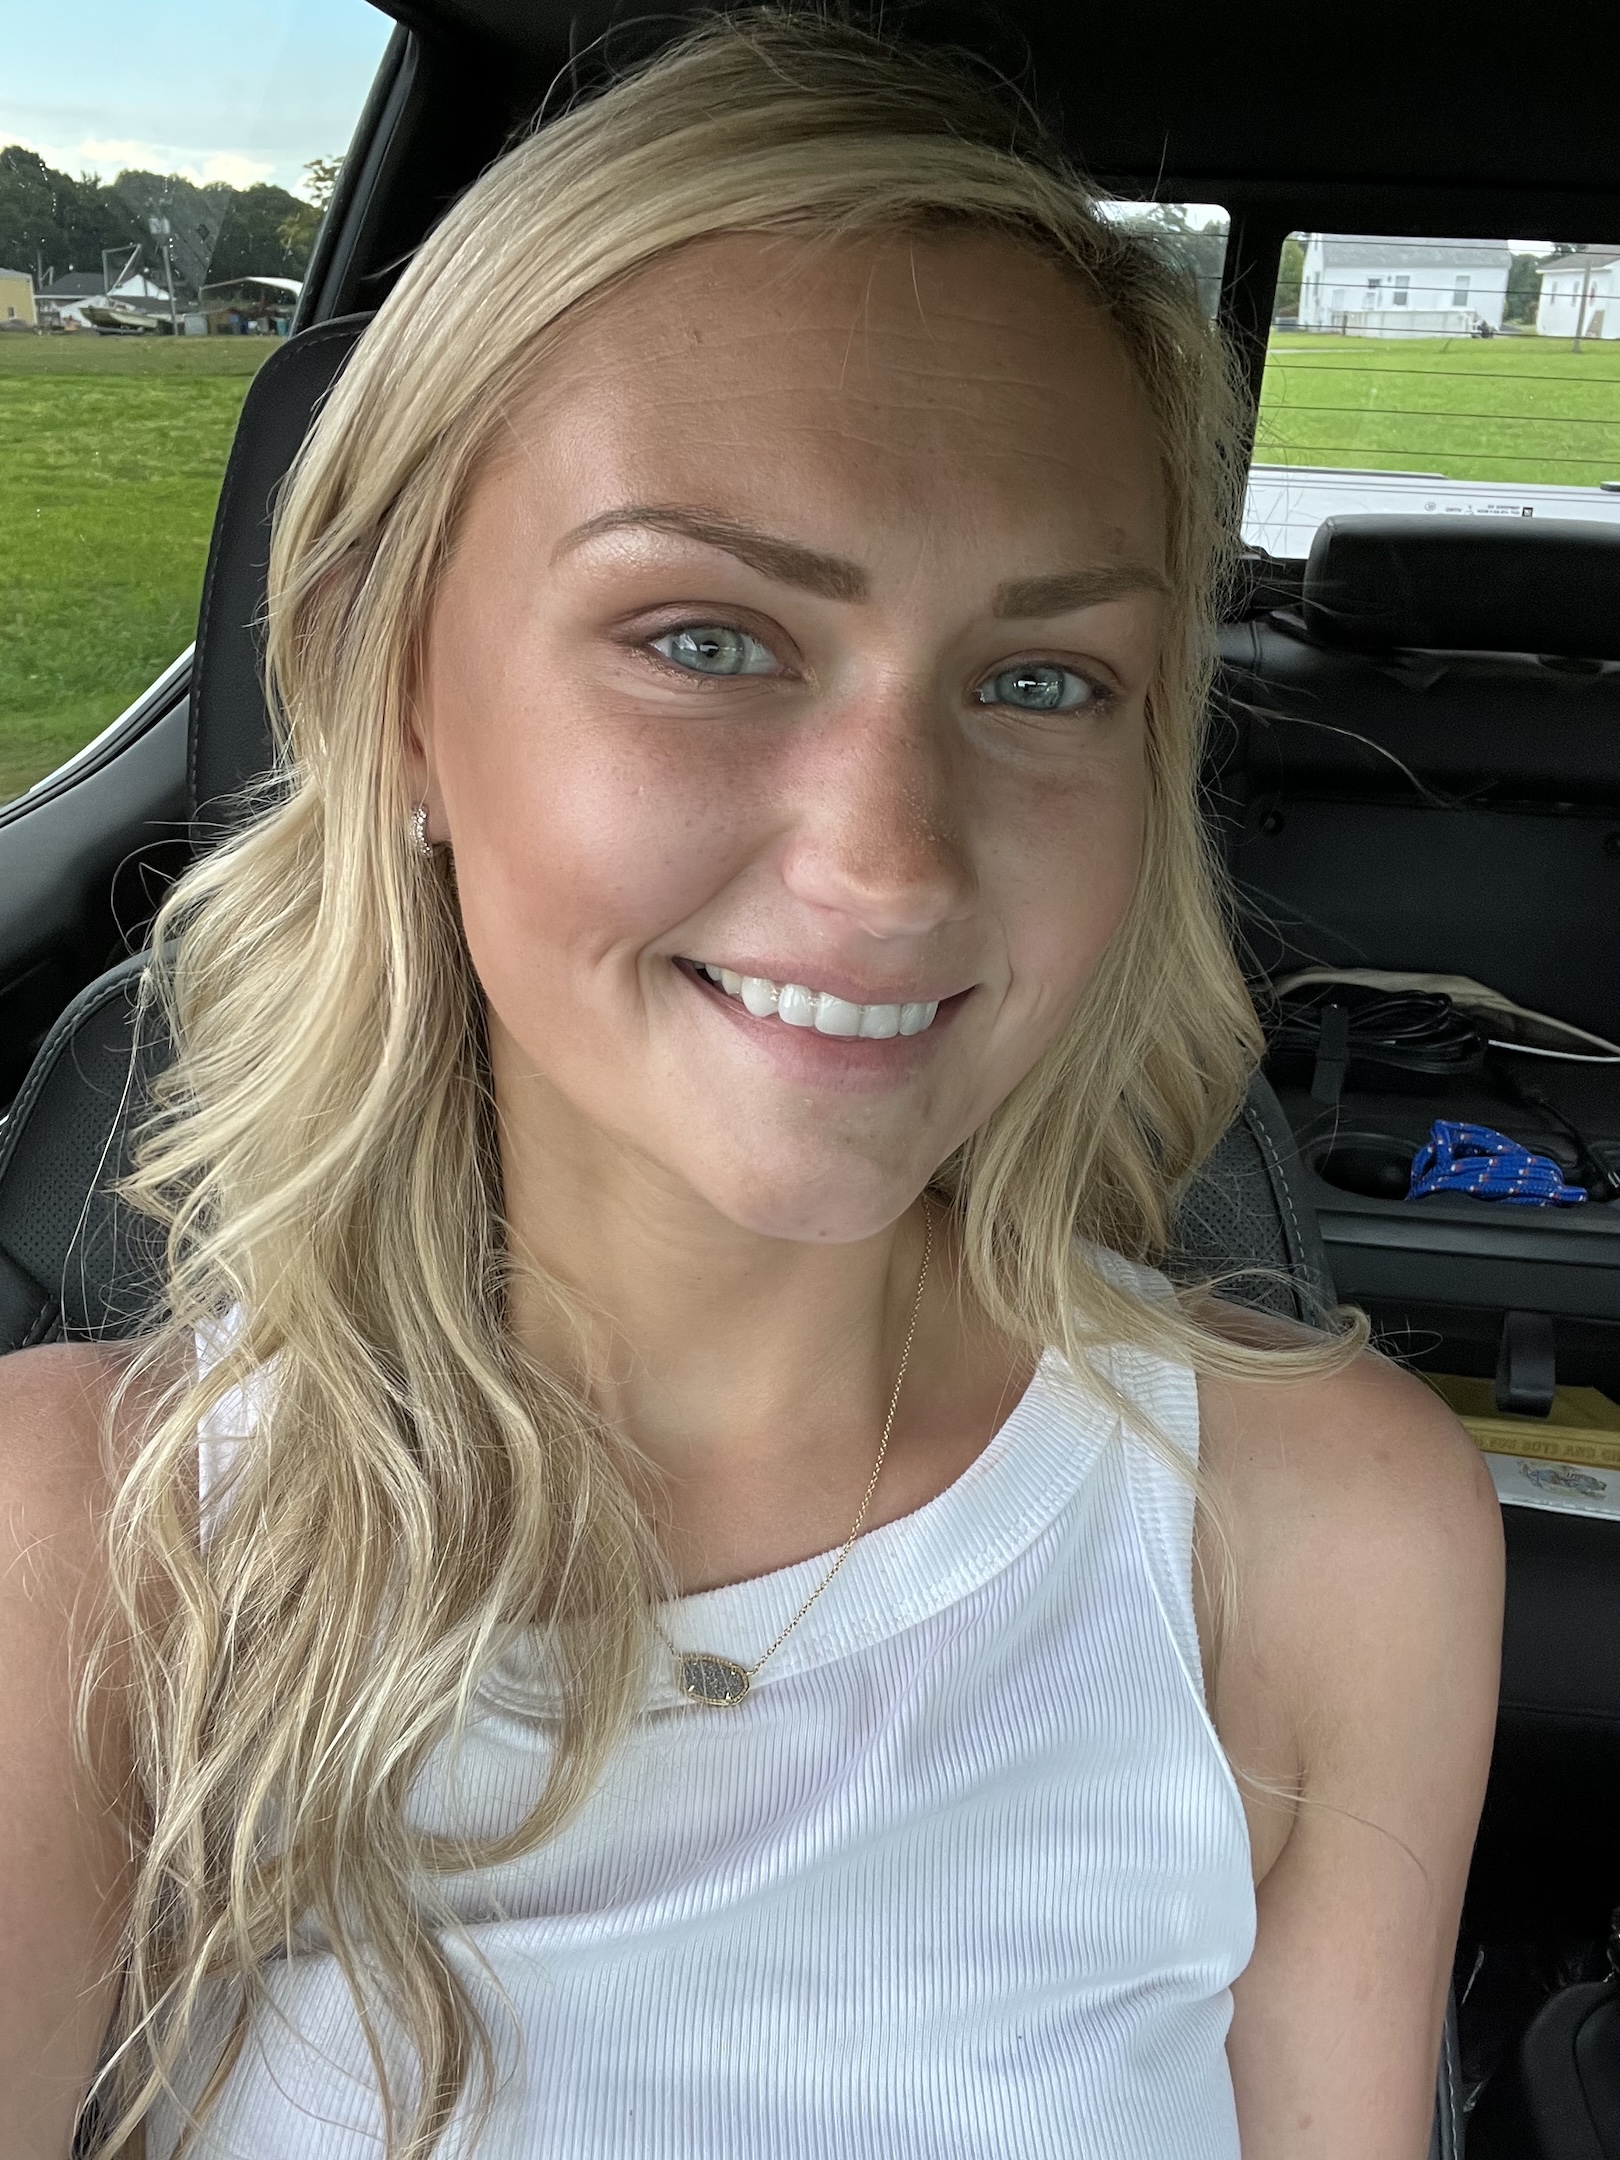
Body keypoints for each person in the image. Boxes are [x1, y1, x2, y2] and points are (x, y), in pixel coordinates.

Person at [1, 11, 1503, 2158]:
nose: (893, 865)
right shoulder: (78, 1557)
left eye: (1042, 680)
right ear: (387, 679)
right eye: (706, 640)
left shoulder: (1319, 1543)